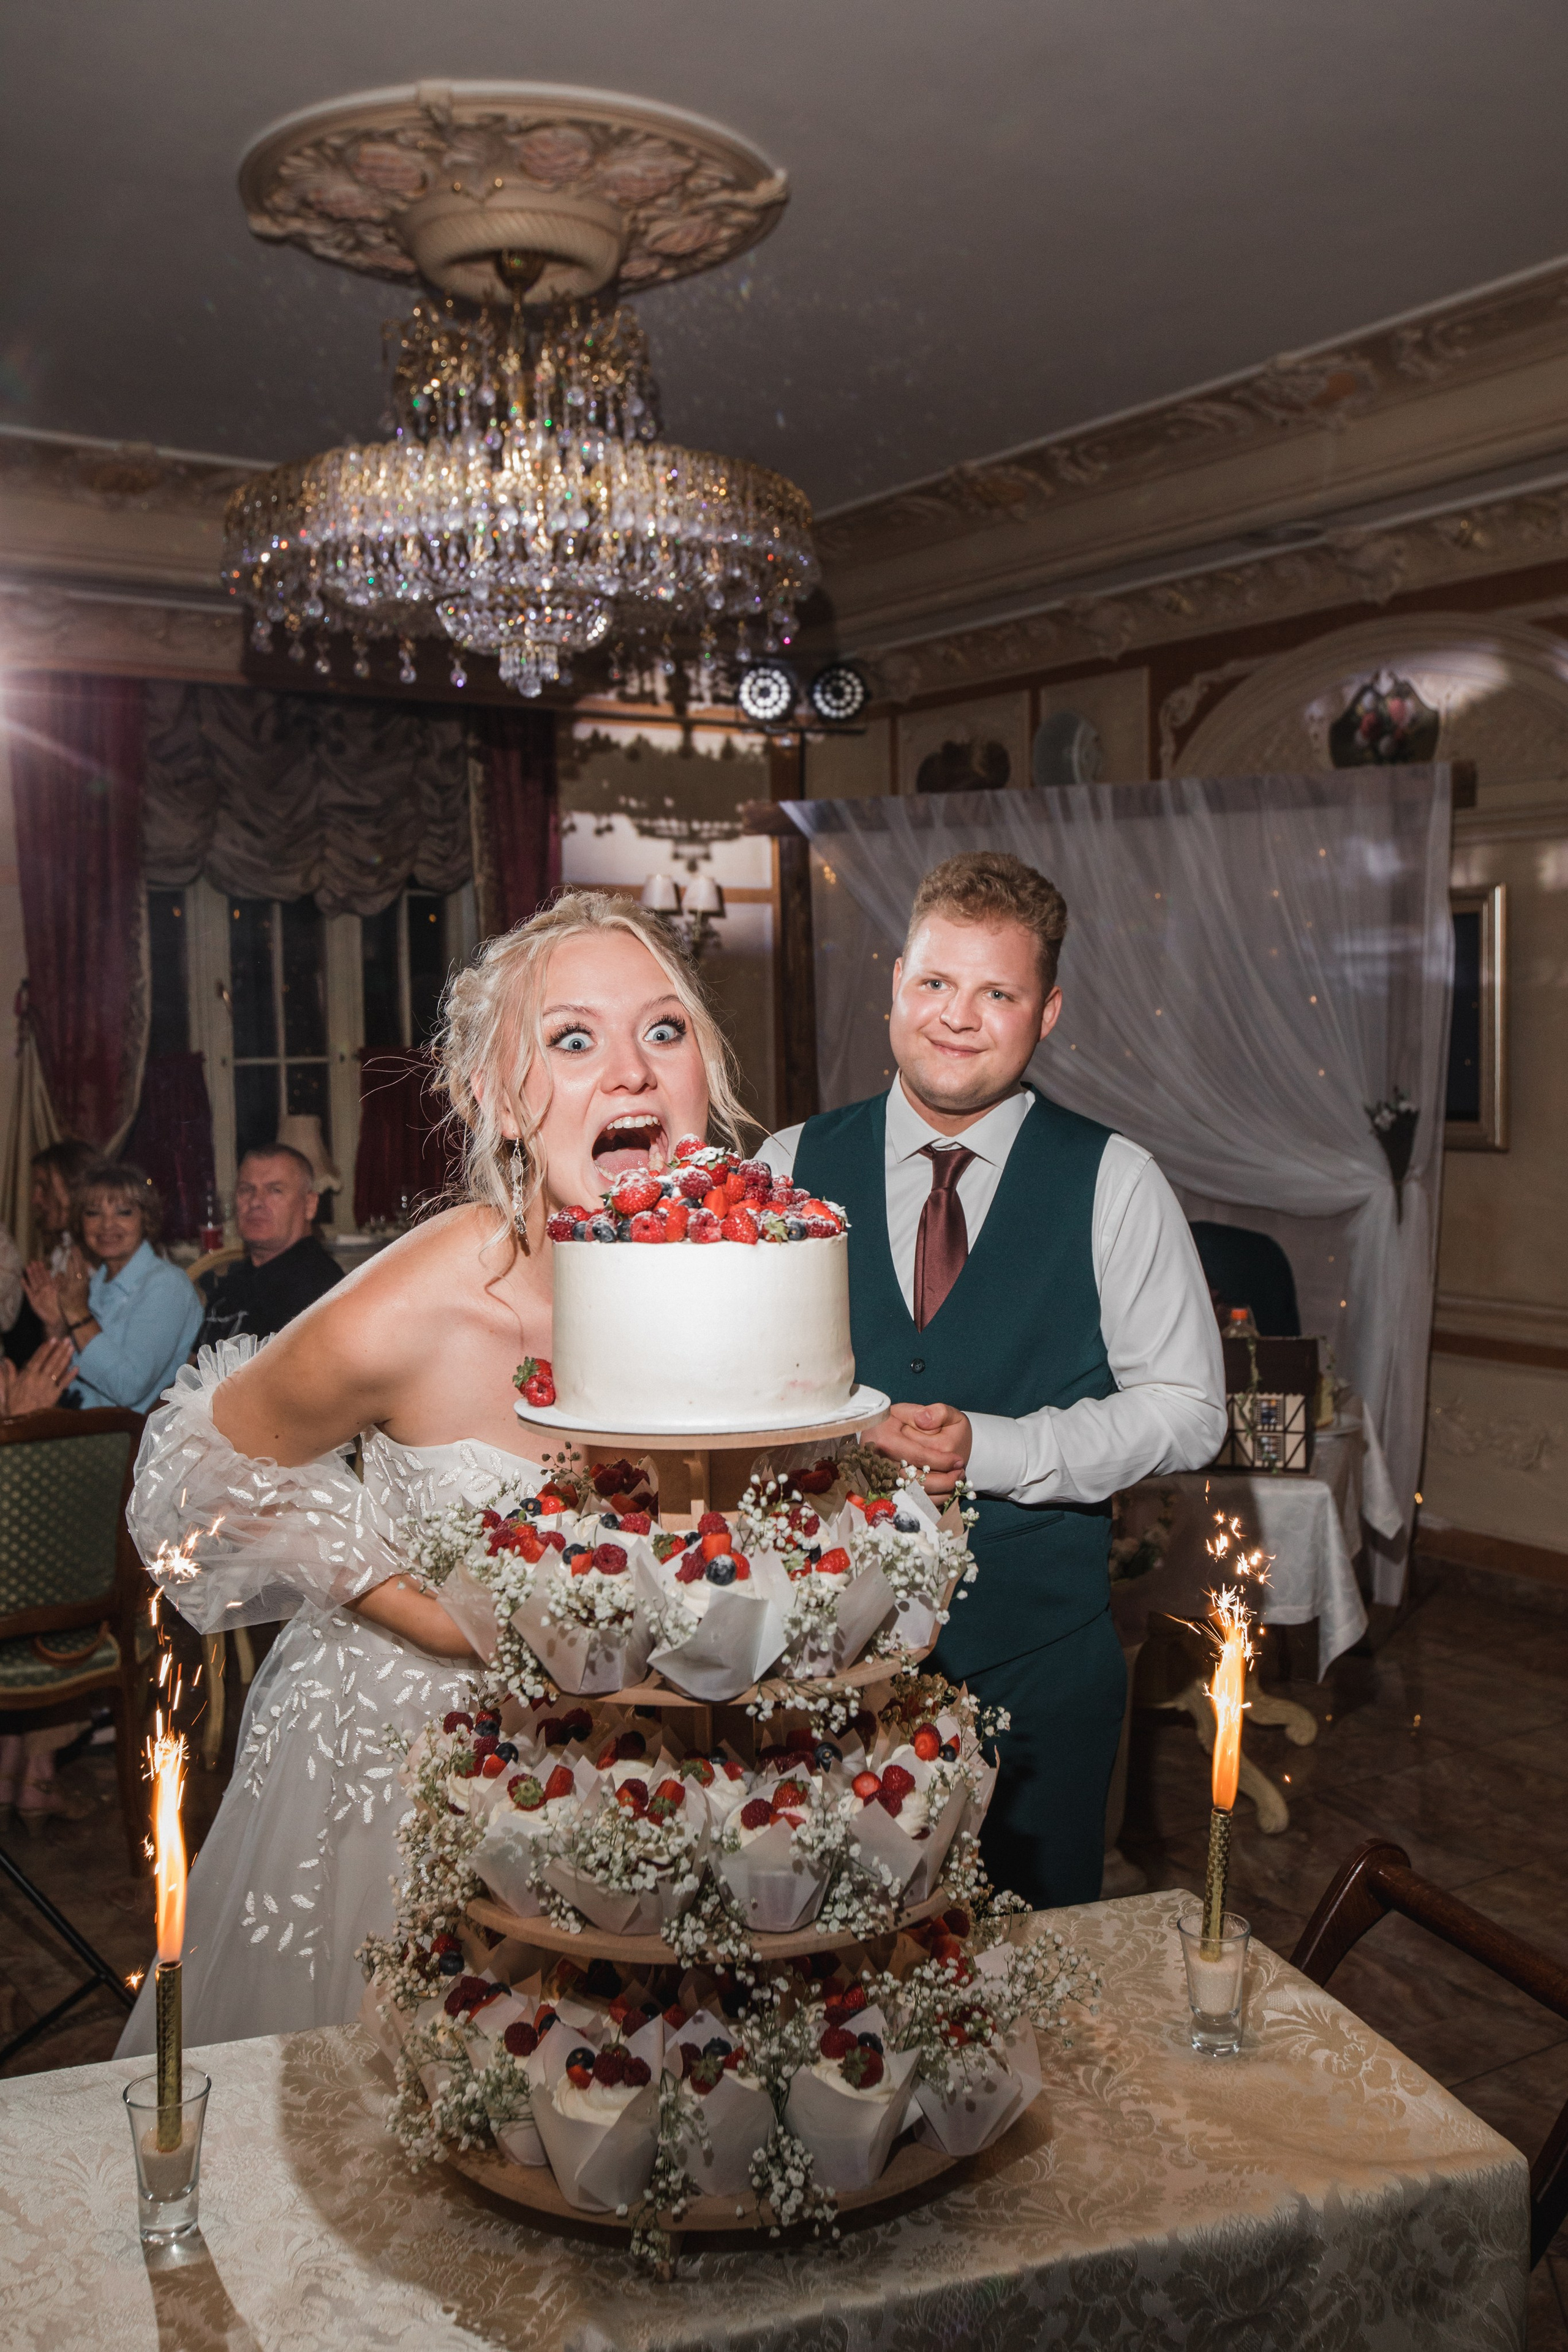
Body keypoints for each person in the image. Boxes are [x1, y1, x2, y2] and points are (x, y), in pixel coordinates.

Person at [117, 892, 734, 2052]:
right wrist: (430, 1617)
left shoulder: (745, 1287)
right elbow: (191, 1466)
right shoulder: (444, 1287)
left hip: (652, 1778)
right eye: (572, 1039)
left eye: (664, 1030)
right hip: (401, 1774)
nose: (634, 1073)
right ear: (498, 1099)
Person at [760, 851, 1226, 1910]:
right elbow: (745, 1392)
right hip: (817, 1660)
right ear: (895, 987)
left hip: (1038, 1666)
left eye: (997, 993)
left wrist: (995, 1447)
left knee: (1037, 1983)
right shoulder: (788, 1165)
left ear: (1047, 1013)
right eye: (934, 984)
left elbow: (1192, 1412)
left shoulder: (1117, 1179)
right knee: (820, 1968)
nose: (957, 1018)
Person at [23, 1163, 202, 1414]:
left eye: (124, 1212)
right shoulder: (95, 1284)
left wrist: (77, 1313)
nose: (107, 1225)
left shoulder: (166, 1285)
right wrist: (55, 1324)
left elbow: (127, 1388)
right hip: (75, 1419)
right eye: (93, 1213)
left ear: (146, 1219)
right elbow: (63, 1378)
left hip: (124, 1436)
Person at [197, 1143, 344, 1348]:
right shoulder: (234, 1281)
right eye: (246, 1190)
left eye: (275, 1190)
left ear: (310, 1205)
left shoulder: (320, 1293)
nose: (256, 1201)